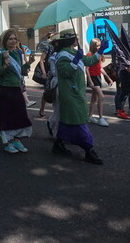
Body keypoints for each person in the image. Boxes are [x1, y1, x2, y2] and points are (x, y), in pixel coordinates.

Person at [51, 29, 108, 164]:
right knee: (79, 123)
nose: (77, 39)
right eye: (75, 37)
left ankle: (58, 144)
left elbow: (90, 60)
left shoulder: (73, 52)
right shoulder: (62, 55)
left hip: (76, 92)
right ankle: (89, 150)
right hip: (70, 94)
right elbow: (65, 73)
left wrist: (100, 51)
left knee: (67, 121)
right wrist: (76, 60)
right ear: (70, 40)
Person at [0, 29, 34, 154]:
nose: (13, 41)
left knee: (19, 114)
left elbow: (20, 71)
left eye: (15, 39)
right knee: (7, 115)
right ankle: (7, 142)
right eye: (10, 39)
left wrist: (29, 63)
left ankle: (16, 139)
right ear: (5, 41)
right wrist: (5, 66)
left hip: (17, 88)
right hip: (5, 89)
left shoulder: (17, 53)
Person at [86, 38, 112, 127]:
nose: (99, 47)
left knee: (94, 99)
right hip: (92, 78)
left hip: (98, 77)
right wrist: (89, 80)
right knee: (101, 96)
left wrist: (108, 77)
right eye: (97, 45)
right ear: (93, 46)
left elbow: (100, 68)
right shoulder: (89, 55)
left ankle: (90, 116)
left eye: (100, 45)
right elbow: (87, 69)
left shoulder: (99, 55)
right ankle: (101, 118)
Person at [37, 31, 56, 118]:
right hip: (49, 73)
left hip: (56, 72)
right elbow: (41, 60)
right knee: (47, 92)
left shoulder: (58, 46)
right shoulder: (47, 47)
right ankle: (42, 109)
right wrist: (44, 72)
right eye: (52, 36)